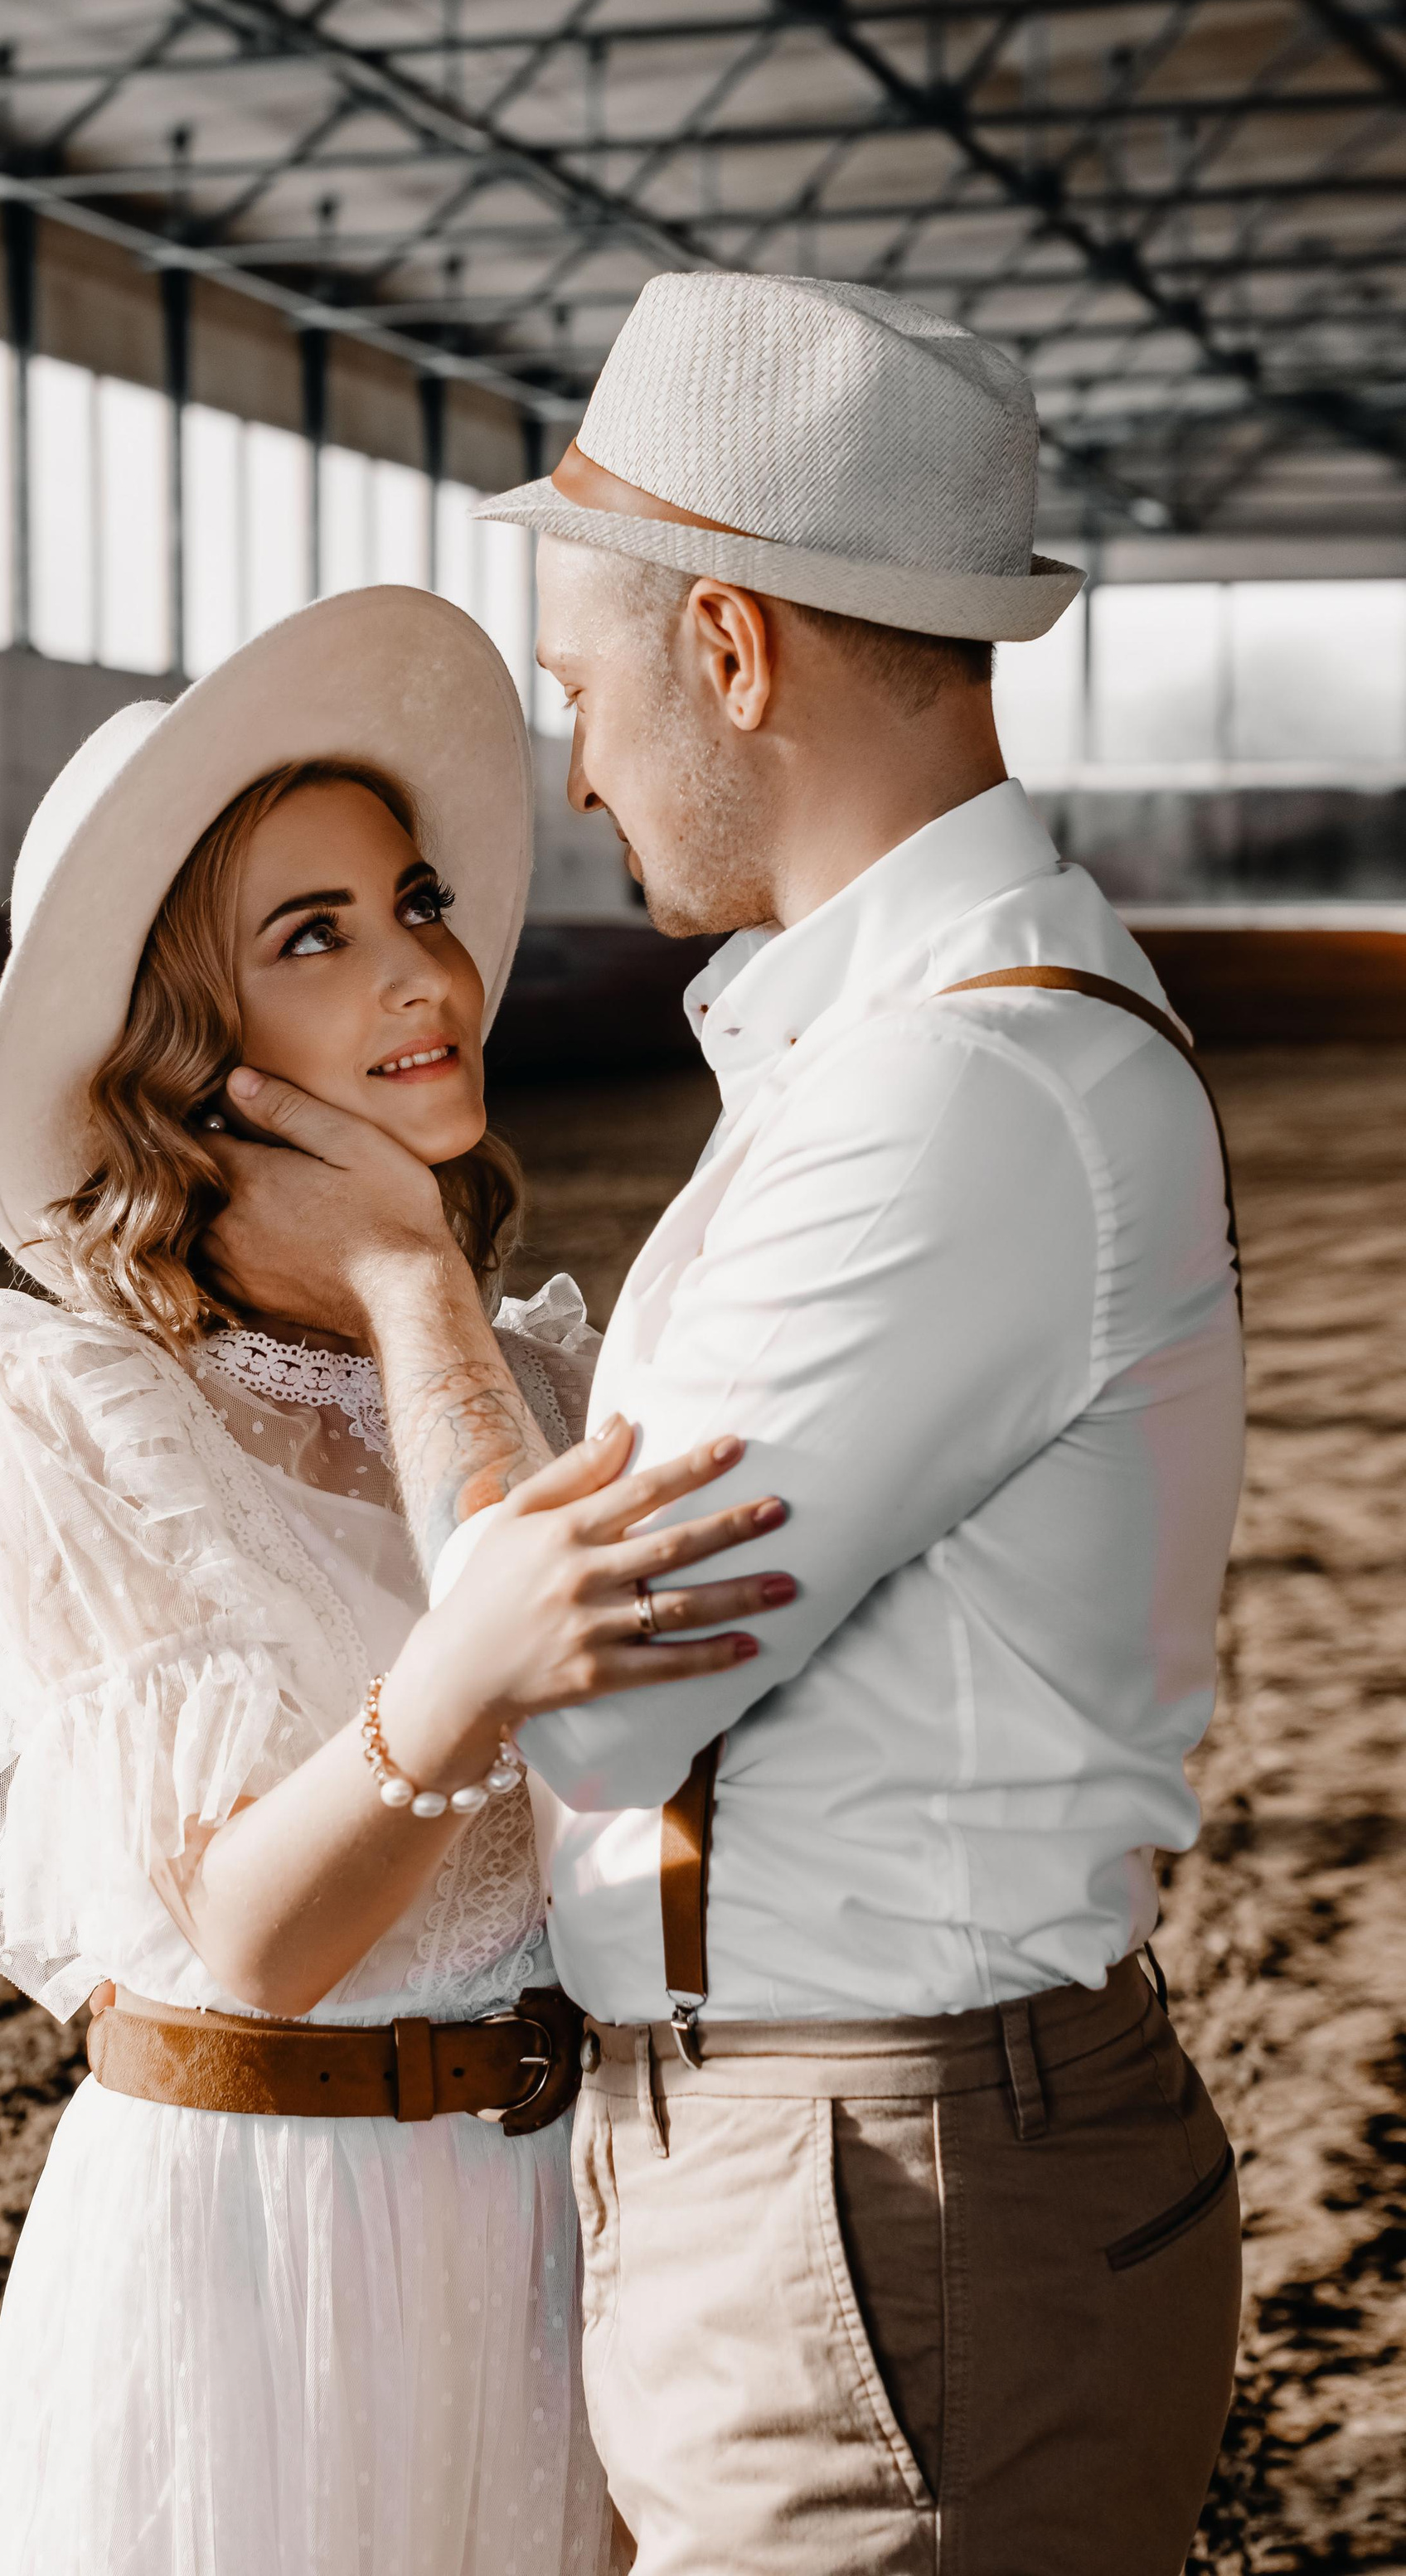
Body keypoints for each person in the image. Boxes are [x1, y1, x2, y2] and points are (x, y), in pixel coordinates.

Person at [206, 274, 1247, 2576]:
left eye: (581, 692)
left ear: (731, 650)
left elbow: (600, 1702)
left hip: (879, 2178)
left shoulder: (955, 1089)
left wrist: (405, 1282)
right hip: (861, 2153)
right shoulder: (910, 1049)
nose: (576, 772)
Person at [0, 586, 799, 2576]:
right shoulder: (75, 1410)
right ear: (185, 1050)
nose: (419, 969)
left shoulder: (529, 1376)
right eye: (313, 936)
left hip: (564, 2234)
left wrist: (412, 1296)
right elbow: (257, 1935)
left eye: (414, 902)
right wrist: (460, 1674)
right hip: (265, 2266)